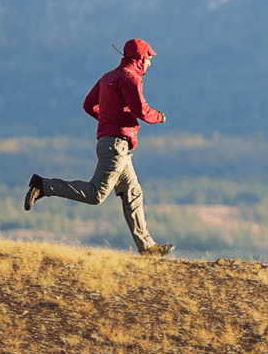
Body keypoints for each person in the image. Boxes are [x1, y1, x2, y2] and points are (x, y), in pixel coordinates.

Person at [23, 38, 174, 257]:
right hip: (117, 146)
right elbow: (141, 110)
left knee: (133, 193)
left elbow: (88, 104)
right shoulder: (130, 78)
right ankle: (44, 186)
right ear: (139, 59)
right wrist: (158, 117)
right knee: (96, 194)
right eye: (149, 59)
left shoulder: (108, 78)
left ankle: (148, 248)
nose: (150, 63)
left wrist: (107, 120)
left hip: (112, 144)